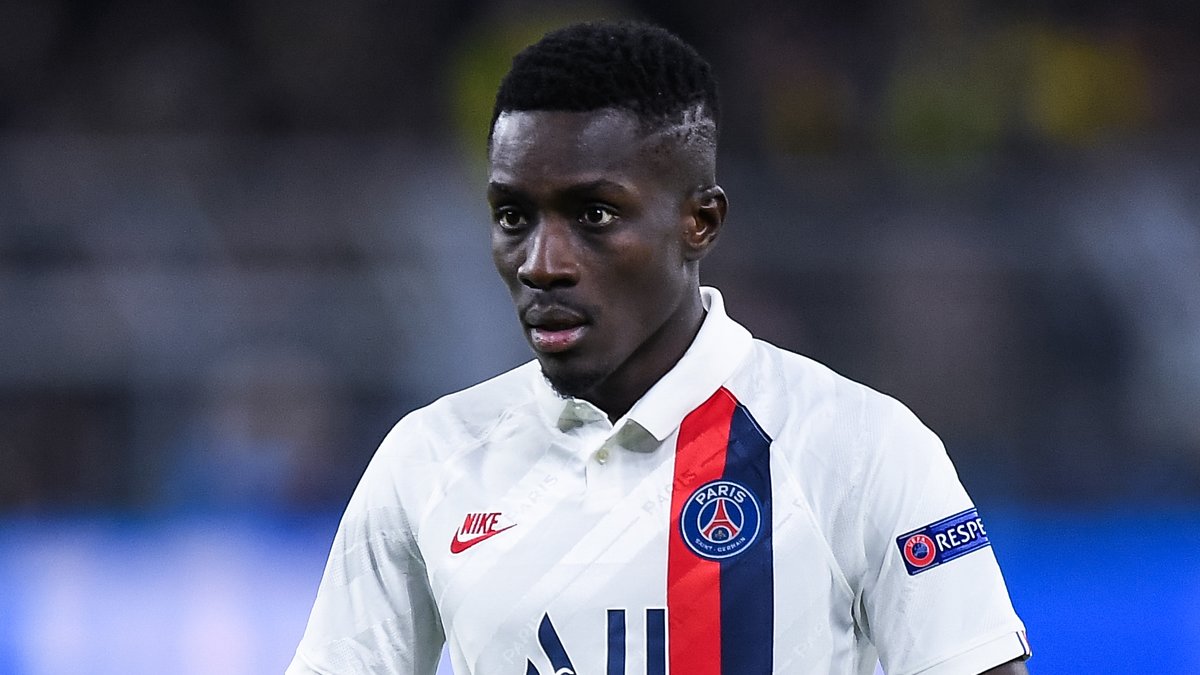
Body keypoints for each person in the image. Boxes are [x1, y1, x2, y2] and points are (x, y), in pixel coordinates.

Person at [288, 20, 1031, 675]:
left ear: (699, 222)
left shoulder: (859, 448)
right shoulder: (429, 459)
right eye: (513, 216)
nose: (542, 262)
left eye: (594, 214)